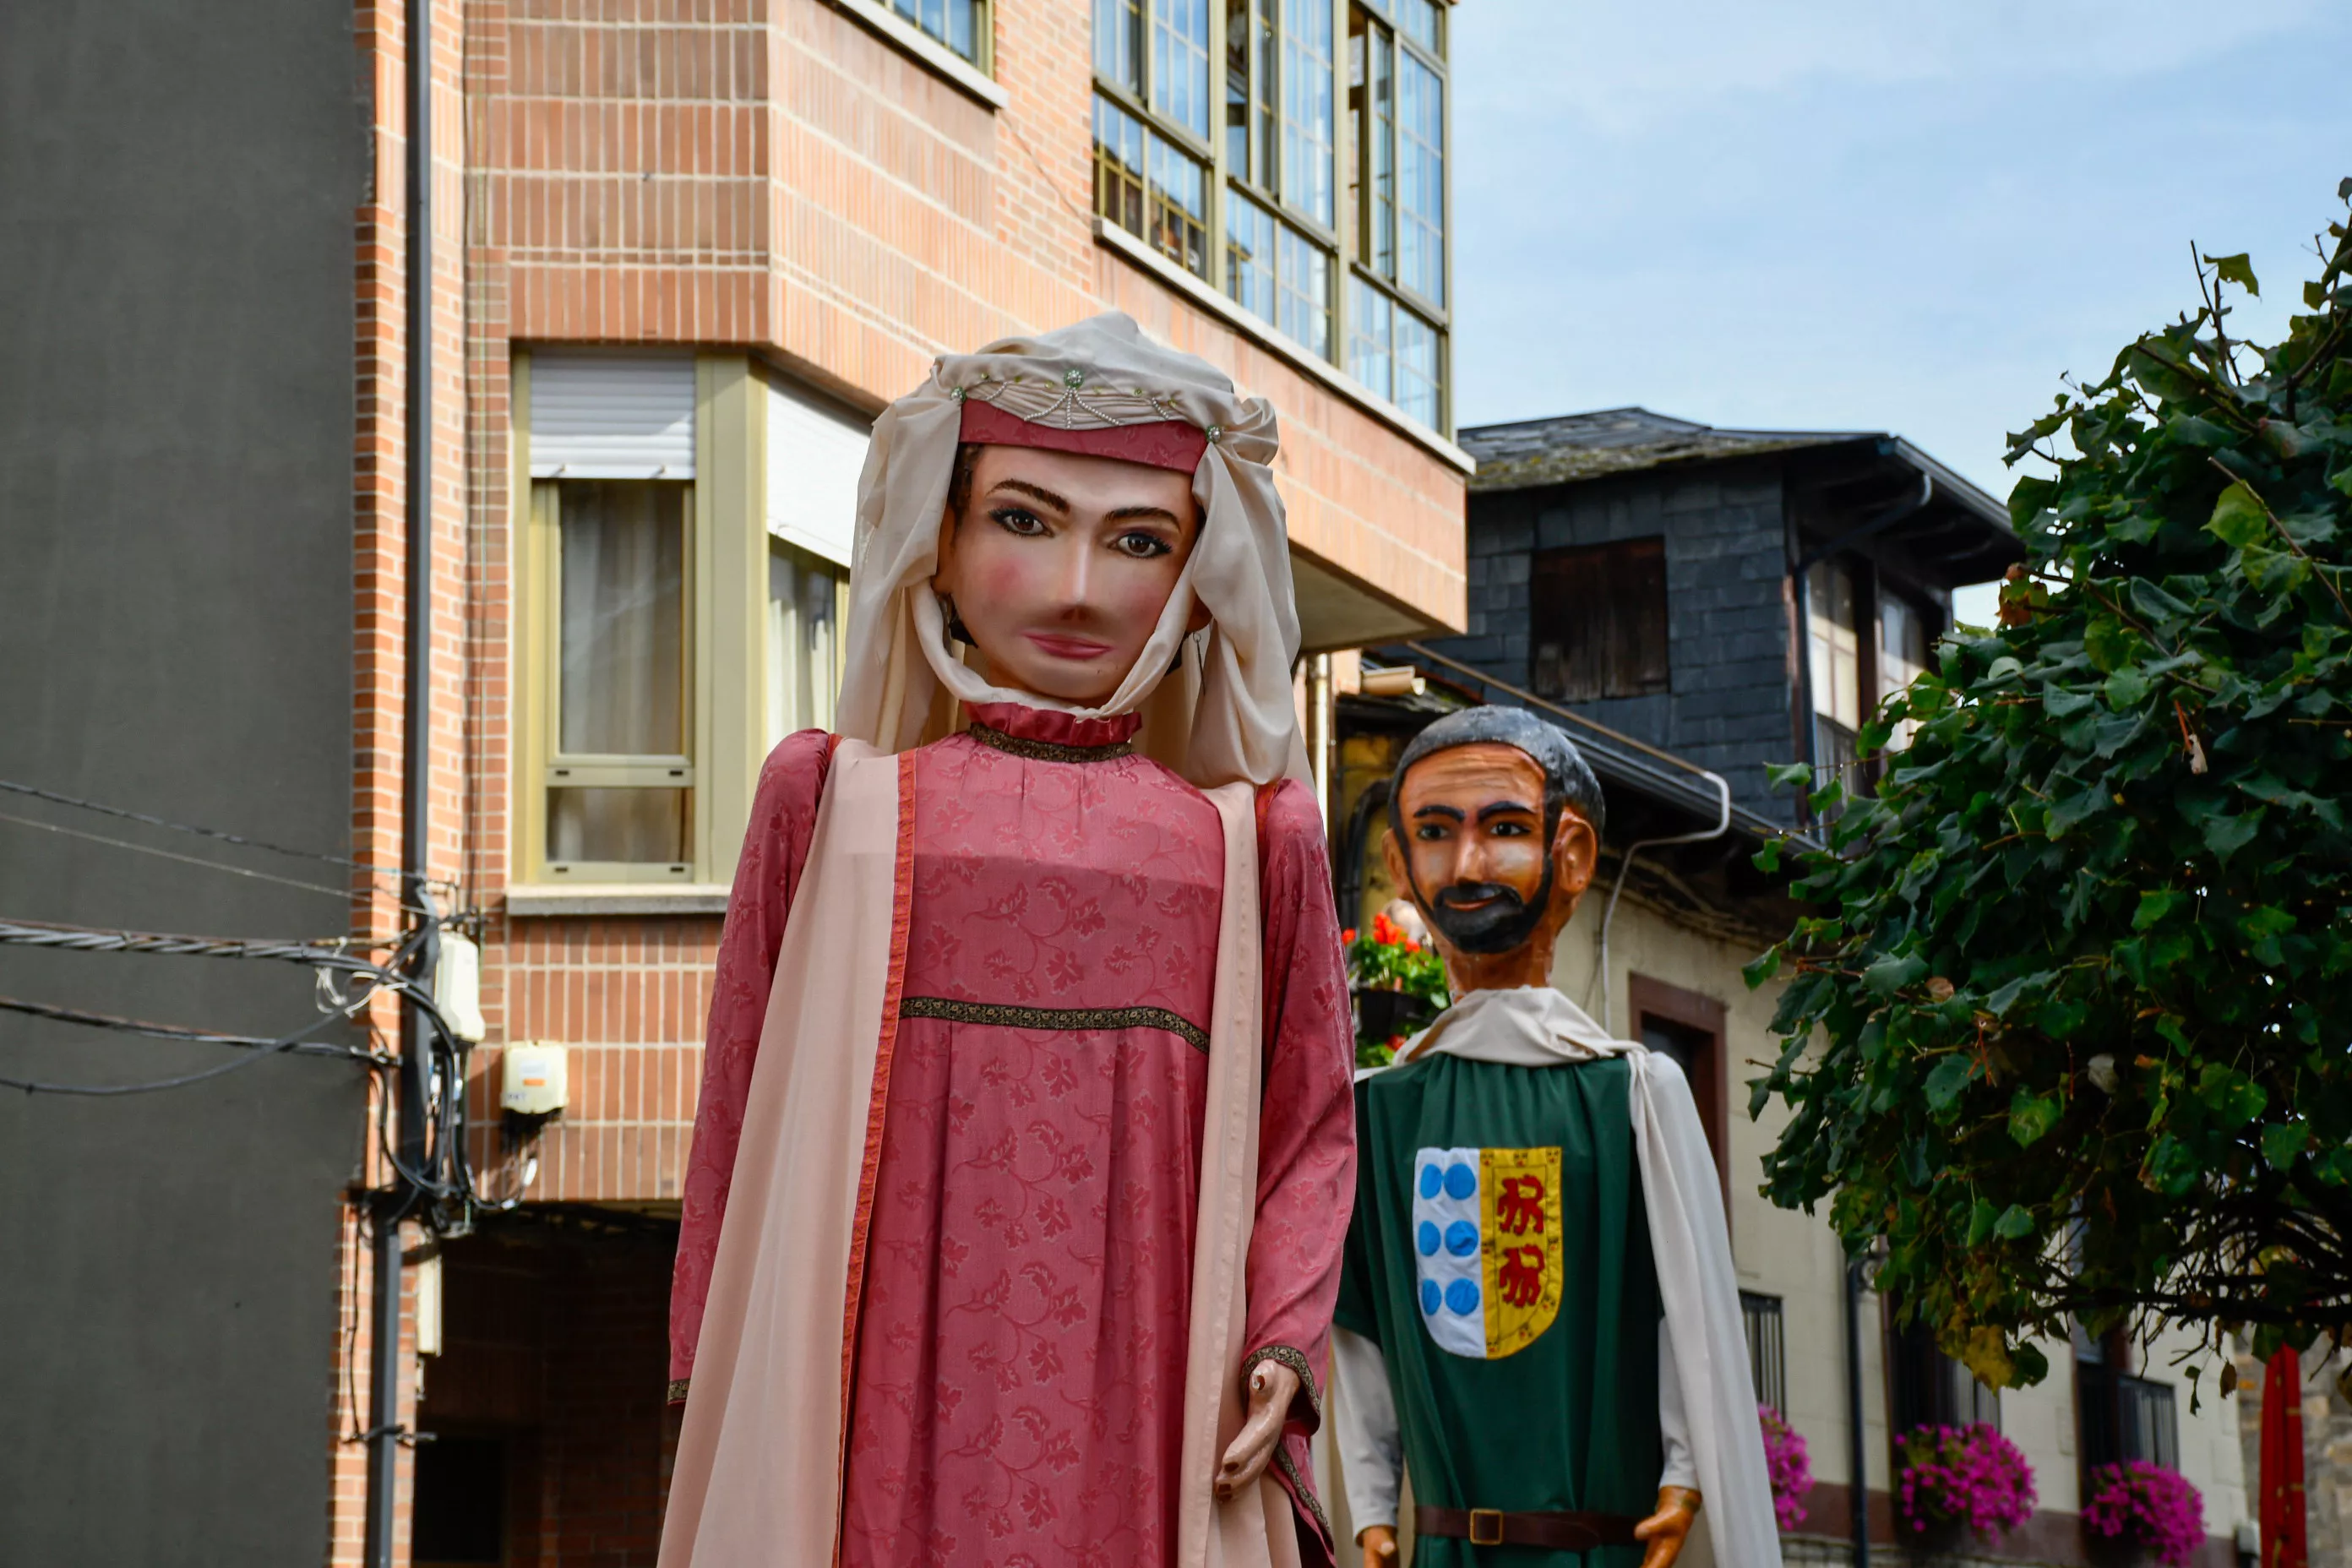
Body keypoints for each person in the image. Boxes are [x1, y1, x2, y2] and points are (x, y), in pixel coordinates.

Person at [659, 313, 1356, 1568]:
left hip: (1160, 1405)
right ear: (939, 540)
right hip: (864, 1406)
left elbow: (1308, 1130)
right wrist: (720, 1362)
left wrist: (1282, 1344)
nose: (1078, 586)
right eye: (1025, 521)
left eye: (1139, 540)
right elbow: (737, 1116)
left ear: (1203, 580)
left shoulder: (1257, 846)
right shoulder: (829, 803)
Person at [1331, 707, 1778, 1568]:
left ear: (1570, 854)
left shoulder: (1635, 1094)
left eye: (1503, 828)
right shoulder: (1375, 1110)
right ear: (1398, 865)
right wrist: (1371, 1504)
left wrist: (1685, 1472)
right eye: (1433, 831)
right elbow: (1361, 1335)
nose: (1466, 865)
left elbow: (1684, 1314)